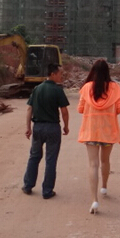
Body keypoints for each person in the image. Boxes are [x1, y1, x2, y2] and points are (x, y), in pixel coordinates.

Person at [77, 59, 120, 214]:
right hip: (108, 131)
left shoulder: (86, 88)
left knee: (93, 164)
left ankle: (94, 200)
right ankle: (104, 186)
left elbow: (80, 109)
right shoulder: (115, 88)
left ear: (93, 71)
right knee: (105, 160)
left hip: (91, 131)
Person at [22, 63, 70, 199]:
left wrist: (28, 127)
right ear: (53, 74)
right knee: (51, 159)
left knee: (34, 156)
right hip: (52, 128)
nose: (62, 76)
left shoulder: (37, 89)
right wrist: (66, 126)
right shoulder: (57, 90)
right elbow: (64, 111)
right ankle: (47, 191)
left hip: (38, 128)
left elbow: (29, 109)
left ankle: (28, 185)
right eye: (60, 74)